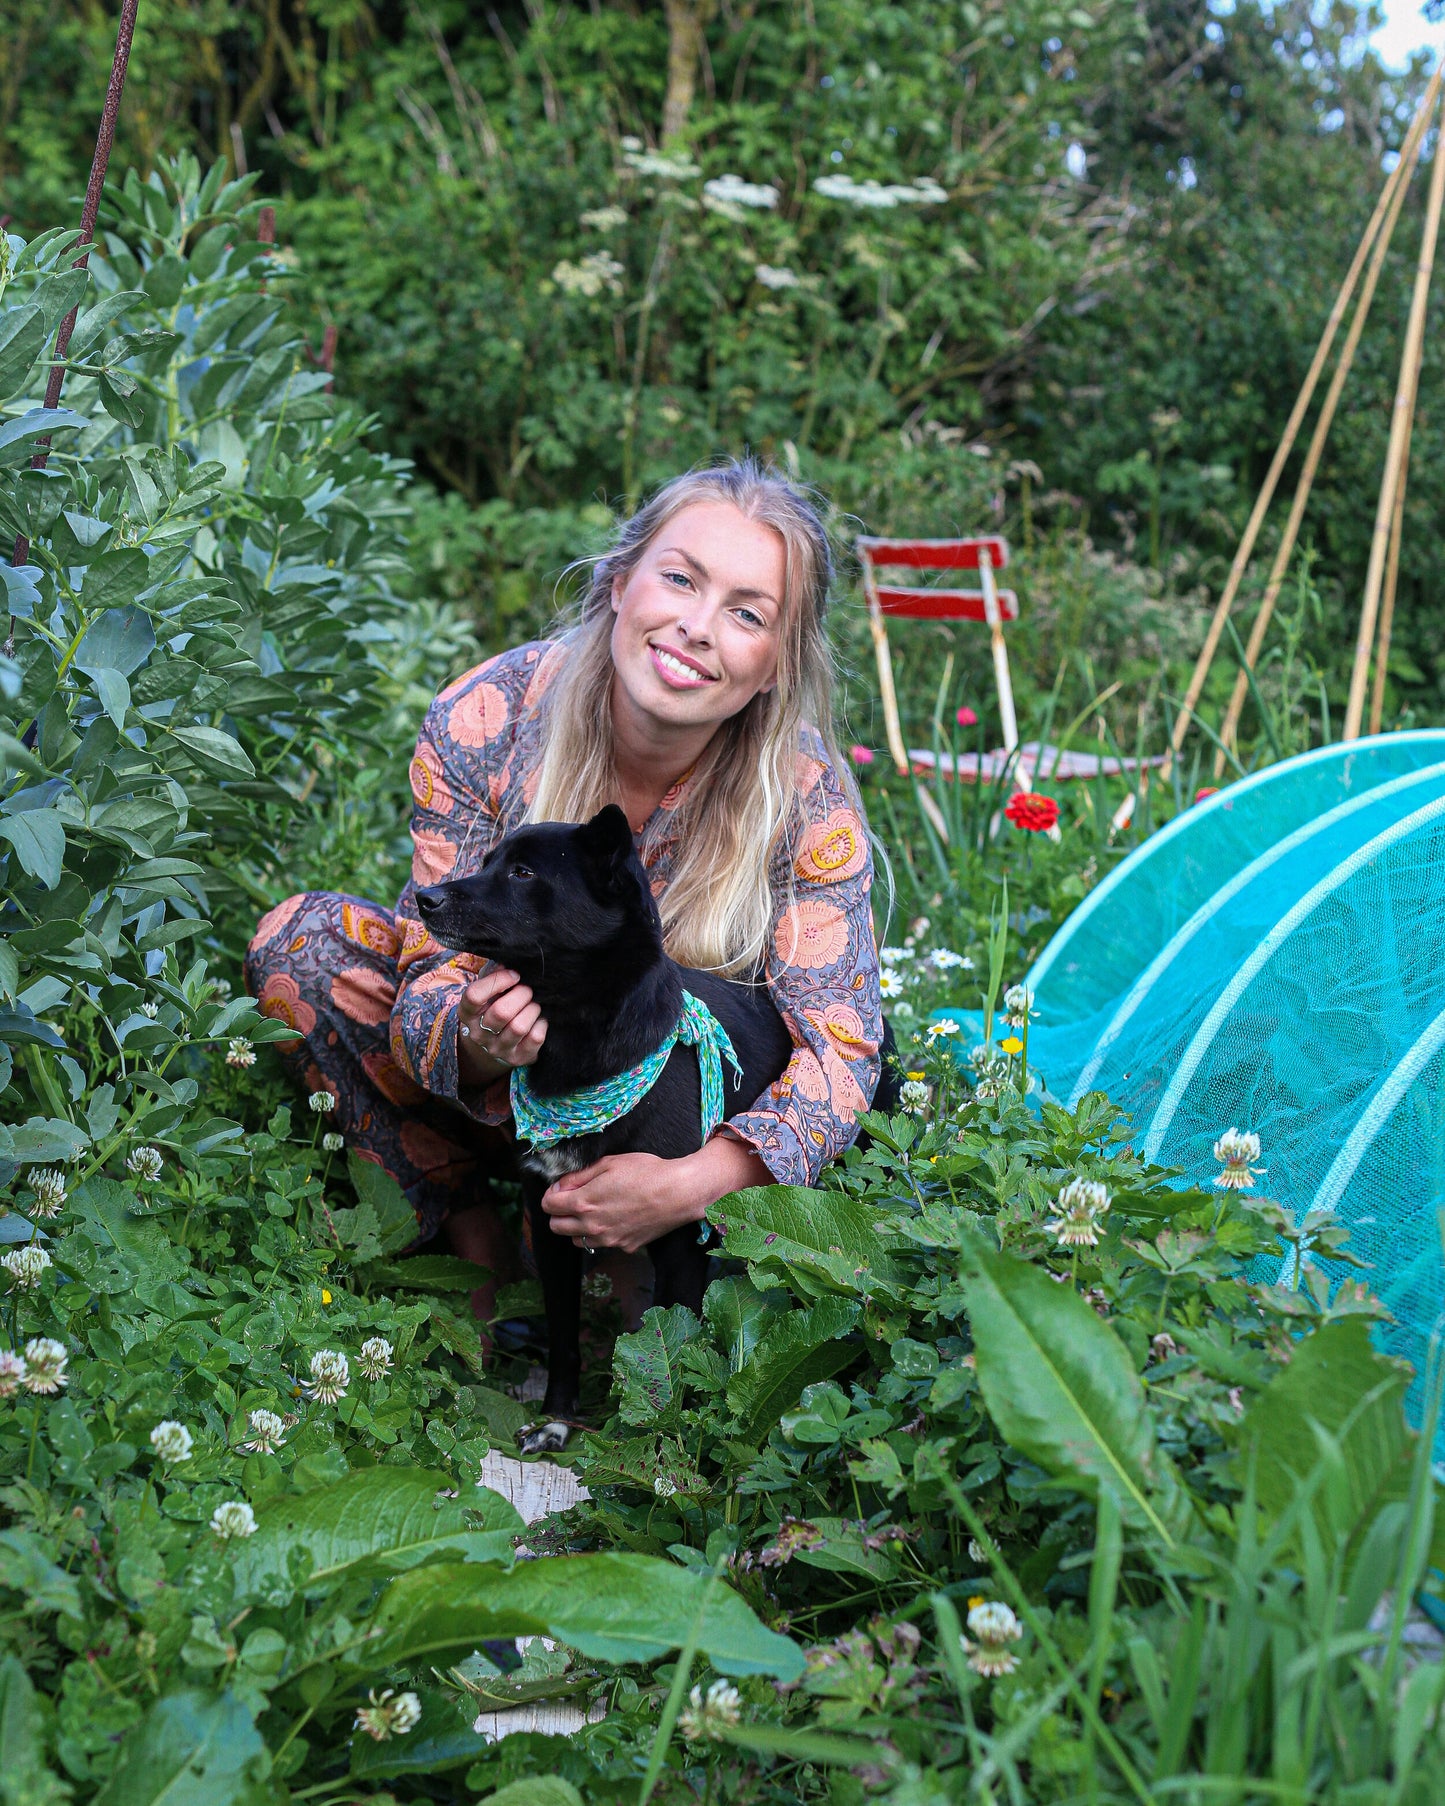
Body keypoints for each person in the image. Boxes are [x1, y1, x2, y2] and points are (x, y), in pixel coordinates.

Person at [244, 459, 886, 1316]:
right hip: (512, 1089)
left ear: (774, 663)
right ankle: (474, 1234)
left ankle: (643, 1273)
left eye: (745, 613)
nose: (697, 627)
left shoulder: (803, 792)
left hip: (677, 1126)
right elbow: (430, 966)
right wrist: (478, 1042)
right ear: (618, 583)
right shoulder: (489, 717)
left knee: (800, 1073)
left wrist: (697, 1180)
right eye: (678, 579)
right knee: (304, 947)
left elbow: (843, 1050)